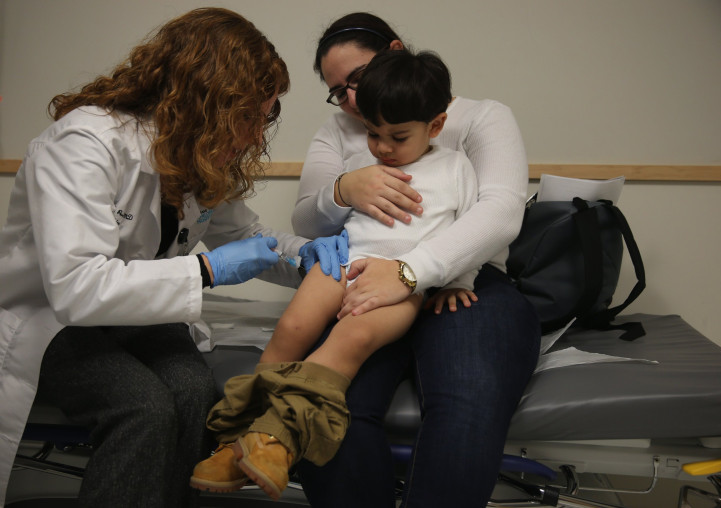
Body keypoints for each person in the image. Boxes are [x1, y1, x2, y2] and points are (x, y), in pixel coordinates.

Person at [0, 8, 348, 508]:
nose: (255, 135)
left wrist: (310, 258)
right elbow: (77, 288)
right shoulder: (84, 145)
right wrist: (207, 270)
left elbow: (247, 237)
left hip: (134, 316)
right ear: (203, 97)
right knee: (143, 408)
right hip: (53, 319)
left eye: (265, 116)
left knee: (193, 394)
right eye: (248, 115)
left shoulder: (195, 150)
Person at [189, 48, 480, 501]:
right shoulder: (365, 165)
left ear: (436, 126)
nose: (382, 147)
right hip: (342, 261)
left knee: (346, 343)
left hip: (400, 285)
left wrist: (461, 281)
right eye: (372, 133)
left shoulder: (456, 168)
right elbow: (316, 220)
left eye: (397, 137)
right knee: (292, 327)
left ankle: (273, 440)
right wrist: (341, 193)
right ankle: (240, 438)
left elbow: (476, 232)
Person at [289, 13, 543, 508]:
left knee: (466, 404)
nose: (354, 101)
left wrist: (411, 273)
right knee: (330, 401)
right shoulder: (340, 133)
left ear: (395, 50)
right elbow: (306, 223)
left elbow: (500, 211)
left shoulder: (481, 117)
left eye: (357, 79)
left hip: (465, 283)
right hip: (364, 274)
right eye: (340, 92)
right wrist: (342, 190)